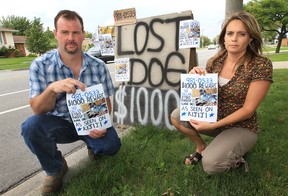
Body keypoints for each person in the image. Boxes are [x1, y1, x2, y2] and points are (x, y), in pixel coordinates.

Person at [21, 10, 121, 194]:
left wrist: (103, 125)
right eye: (65, 32)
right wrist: (52, 89)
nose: (71, 38)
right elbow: (37, 108)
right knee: (30, 127)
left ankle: (94, 147)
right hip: (60, 124)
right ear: (55, 34)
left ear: (83, 35)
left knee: (111, 147)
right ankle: (56, 168)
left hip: (89, 122)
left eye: (76, 32)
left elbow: (106, 103)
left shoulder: (98, 66)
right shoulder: (40, 65)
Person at [170, 11, 273, 175]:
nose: (234, 38)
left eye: (241, 34)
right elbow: (203, 98)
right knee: (177, 115)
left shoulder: (260, 65)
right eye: (230, 33)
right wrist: (195, 79)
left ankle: (235, 153)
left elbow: (248, 110)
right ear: (223, 37)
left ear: (250, 38)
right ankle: (201, 147)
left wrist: (213, 125)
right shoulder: (215, 61)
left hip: (242, 127)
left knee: (211, 166)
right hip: (215, 118)